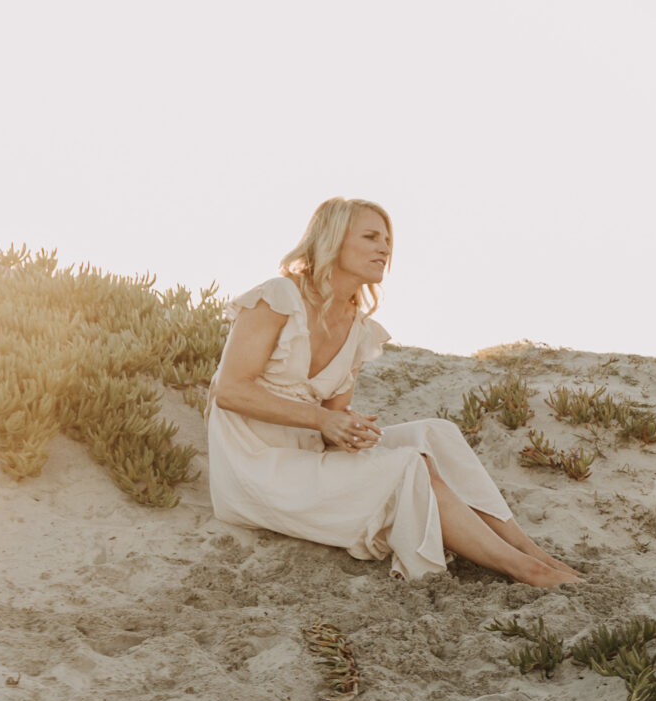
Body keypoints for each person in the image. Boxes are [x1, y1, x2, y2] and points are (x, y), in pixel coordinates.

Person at [206, 199, 579, 586]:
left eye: (387, 240)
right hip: (256, 468)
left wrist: (349, 431)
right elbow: (231, 391)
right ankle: (523, 569)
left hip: (308, 456)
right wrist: (325, 419)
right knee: (408, 466)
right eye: (370, 237)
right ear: (333, 239)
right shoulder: (279, 297)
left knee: (435, 436)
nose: (385, 248)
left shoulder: (359, 328)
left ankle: (531, 551)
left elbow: (332, 426)